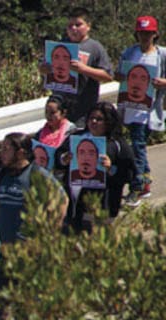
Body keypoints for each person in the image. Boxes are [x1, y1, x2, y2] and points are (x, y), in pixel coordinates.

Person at [56, 102, 134, 230]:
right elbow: (58, 157)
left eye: (99, 119)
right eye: (91, 118)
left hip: (104, 205)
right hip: (77, 205)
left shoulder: (118, 145)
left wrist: (111, 168)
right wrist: (64, 159)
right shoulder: (76, 137)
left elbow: (128, 173)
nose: (93, 121)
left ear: (108, 122)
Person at [119, 16, 166, 206]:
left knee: (137, 147)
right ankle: (145, 184)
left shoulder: (162, 55)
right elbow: (118, 74)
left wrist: (163, 82)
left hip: (148, 110)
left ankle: (137, 188)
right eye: (141, 33)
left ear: (155, 34)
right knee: (138, 148)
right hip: (129, 106)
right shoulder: (129, 53)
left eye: (148, 33)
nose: (145, 37)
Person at [39, 8, 112, 127]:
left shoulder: (94, 47)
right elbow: (41, 68)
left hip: (83, 109)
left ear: (88, 26)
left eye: (78, 25)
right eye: (70, 26)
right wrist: (46, 68)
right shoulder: (59, 45)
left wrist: (83, 69)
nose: (73, 29)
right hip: (60, 108)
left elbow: (108, 76)